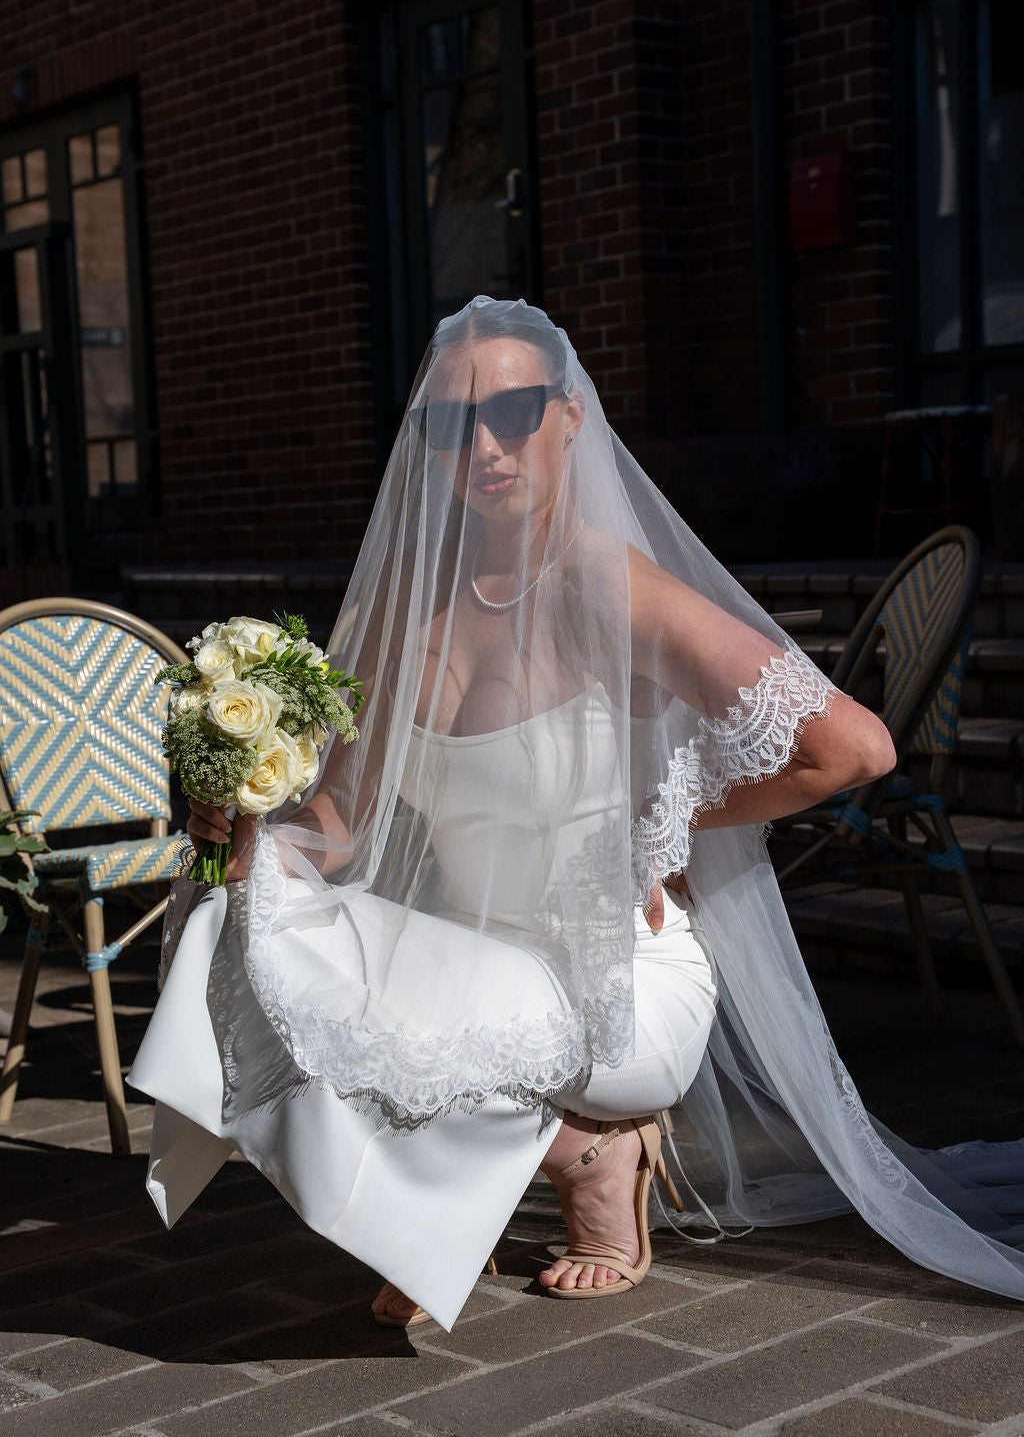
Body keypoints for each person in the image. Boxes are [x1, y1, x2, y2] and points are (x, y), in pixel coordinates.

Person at [129, 297, 1024, 1332]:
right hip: (471, 964)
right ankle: (538, 1165)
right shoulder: (393, 615)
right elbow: (337, 816)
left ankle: (582, 1153)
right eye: (454, 423)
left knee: (356, 1022)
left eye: (514, 409)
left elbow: (853, 747)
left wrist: (668, 825)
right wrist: (241, 831)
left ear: (569, 418)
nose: (489, 444)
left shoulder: (610, 586)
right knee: (232, 930)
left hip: (617, 986)